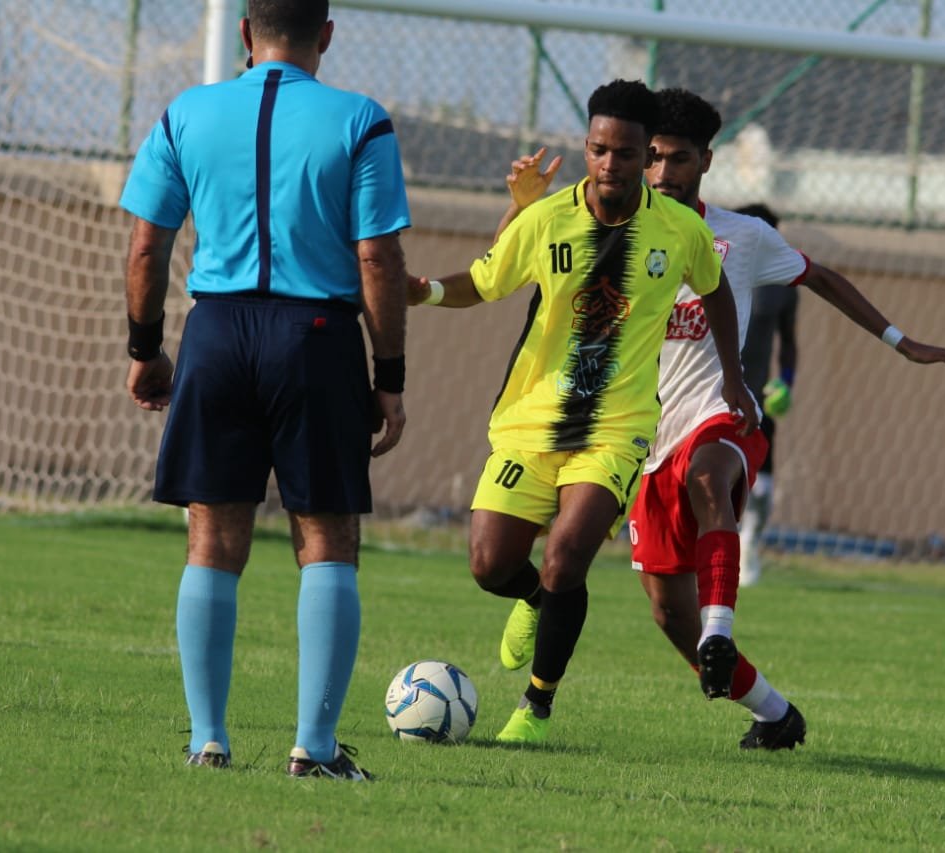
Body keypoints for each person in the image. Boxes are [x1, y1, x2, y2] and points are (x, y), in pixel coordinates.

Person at [499, 87, 945, 751]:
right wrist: (519, 208)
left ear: (707, 161)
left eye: (680, 159)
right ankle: (775, 713)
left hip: (719, 415)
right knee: (668, 612)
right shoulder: (602, 228)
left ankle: (718, 627)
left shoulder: (743, 237)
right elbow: (510, 266)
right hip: (635, 437)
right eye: (654, 157)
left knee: (711, 477)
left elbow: (821, 277)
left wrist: (903, 342)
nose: (664, 172)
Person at [406, 79, 756, 746]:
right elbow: (483, 281)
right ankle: (538, 600)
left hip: (616, 430)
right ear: (587, 147)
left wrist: (733, 378)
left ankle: (535, 707)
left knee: (567, 555)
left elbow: (716, 293)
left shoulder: (680, 230)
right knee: (489, 564)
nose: (609, 164)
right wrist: (422, 291)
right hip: (530, 420)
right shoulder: (547, 218)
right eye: (598, 149)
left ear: (645, 155)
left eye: (625, 153)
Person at [120, 0, 409, 781]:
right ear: (327, 34)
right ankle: (315, 747)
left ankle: (207, 739)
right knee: (328, 539)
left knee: (212, 538)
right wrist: (388, 378)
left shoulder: (186, 112)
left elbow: (147, 246)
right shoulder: (361, 120)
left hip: (215, 333)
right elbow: (379, 258)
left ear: (245, 33)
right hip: (316, 336)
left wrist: (145, 349)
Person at [734, 203, 799, 587]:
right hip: (707, 392)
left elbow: (789, 342)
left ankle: (749, 544)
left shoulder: (782, 286)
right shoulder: (711, 267)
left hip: (757, 398)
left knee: (762, 481)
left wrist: (787, 380)